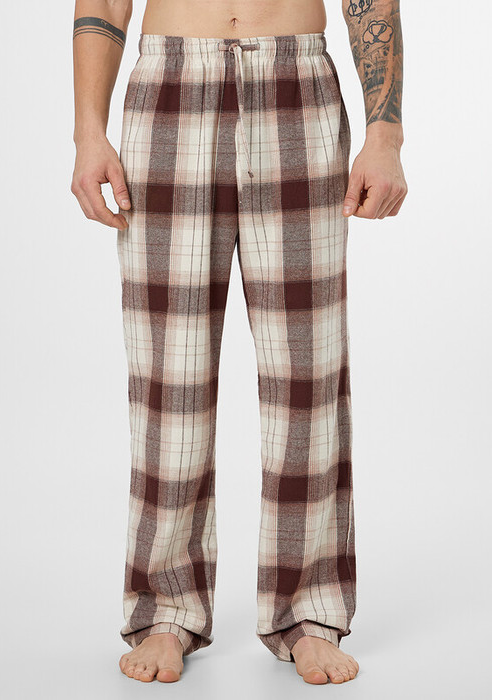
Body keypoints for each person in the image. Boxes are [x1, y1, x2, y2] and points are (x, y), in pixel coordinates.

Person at [71, 0, 407, 686]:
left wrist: (385, 134)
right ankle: (166, 609)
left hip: (297, 84)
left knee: (307, 376)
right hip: (169, 84)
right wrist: (87, 132)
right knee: (169, 381)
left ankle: (308, 612)